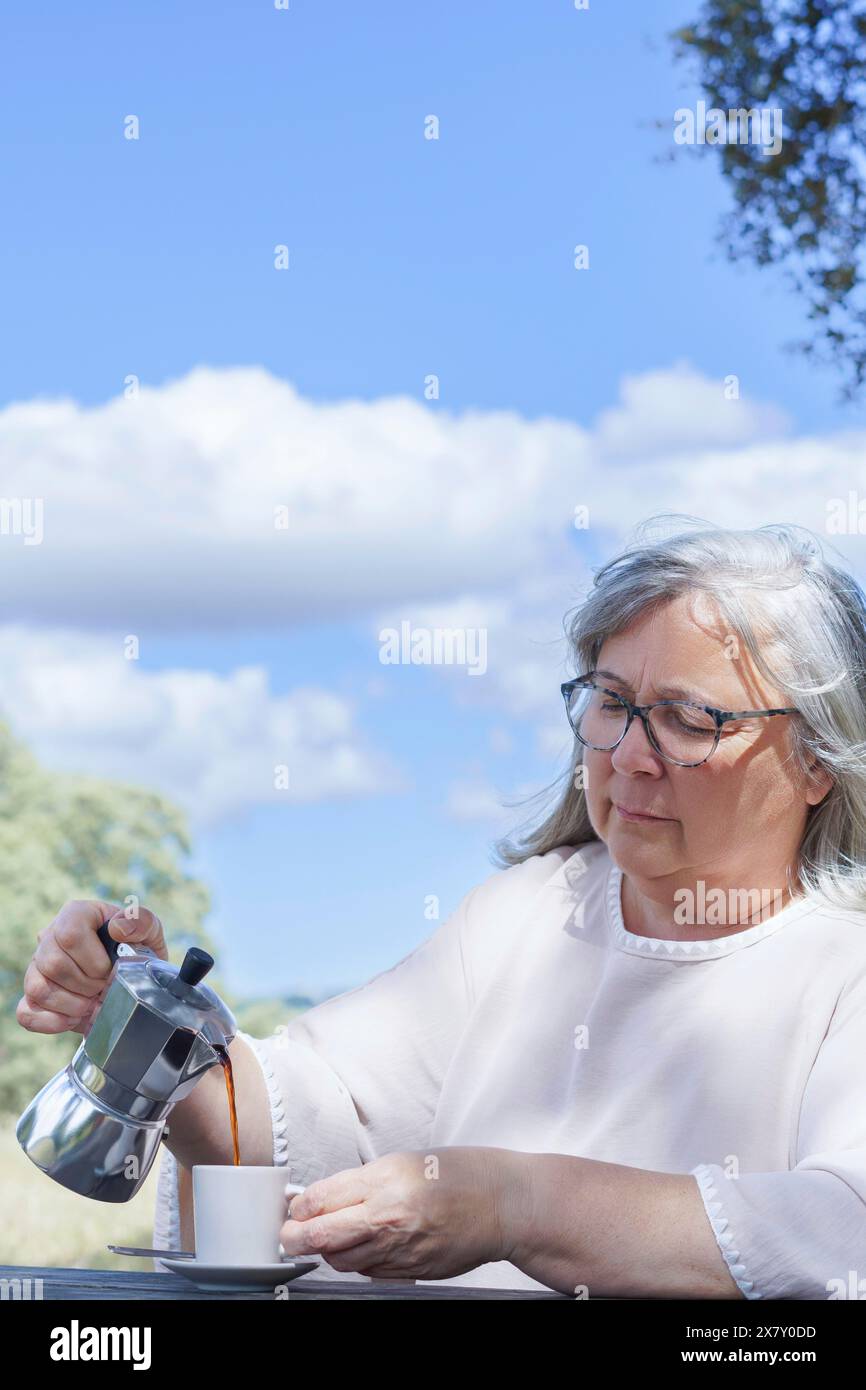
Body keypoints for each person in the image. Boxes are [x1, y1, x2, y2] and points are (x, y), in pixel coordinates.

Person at [17, 517, 866, 1298]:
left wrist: (512, 1203)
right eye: (612, 701)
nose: (631, 755)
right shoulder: (533, 910)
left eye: (689, 718)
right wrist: (153, 1022)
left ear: (818, 759)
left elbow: (841, 1231)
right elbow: (321, 1116)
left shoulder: (845, 967)